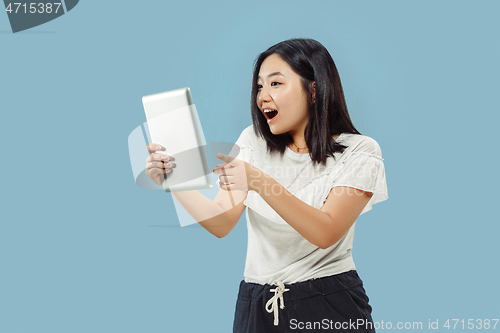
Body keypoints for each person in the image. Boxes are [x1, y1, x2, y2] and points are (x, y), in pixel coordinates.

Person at [145, 38, 388, 333]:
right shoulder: (252, 142)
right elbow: (221, 222)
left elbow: (326, 231)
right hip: (256, 304)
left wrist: (259, 182)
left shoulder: (360, 151)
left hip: (328, 302)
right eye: (259, 86)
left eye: (275, 84)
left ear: (313, 90)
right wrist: (174, 180)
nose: (262, 97)